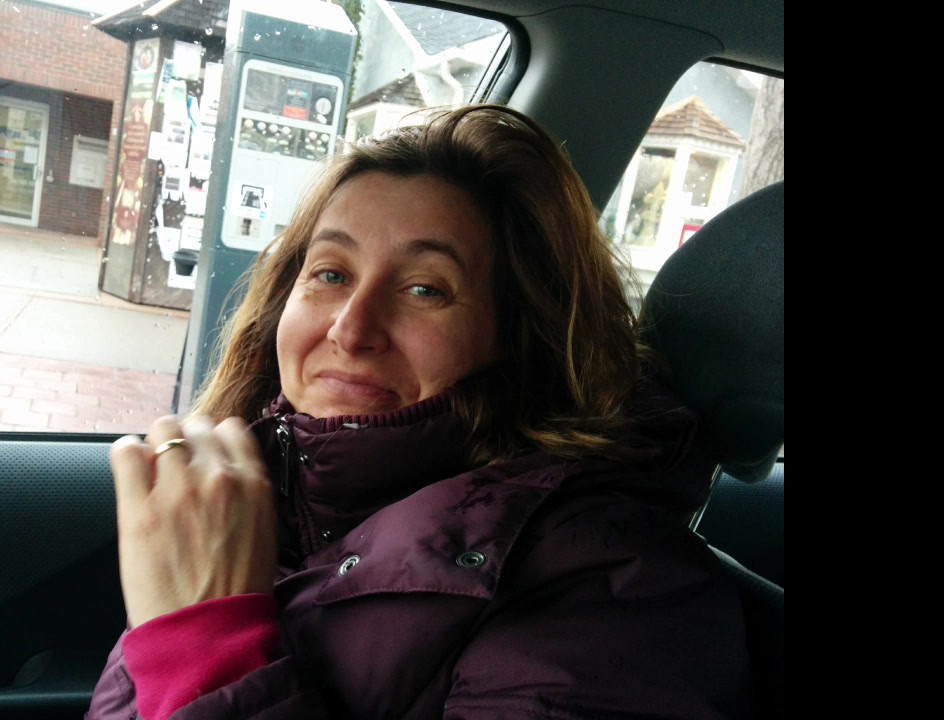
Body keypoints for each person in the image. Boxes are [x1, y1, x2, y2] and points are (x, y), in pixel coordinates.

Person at [88, 105, 754, 720]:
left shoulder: (611, 583)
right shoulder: (252, 497)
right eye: (330, 274)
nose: (351, 329)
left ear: (524, 336)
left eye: (424, 289)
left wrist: (211, 652)